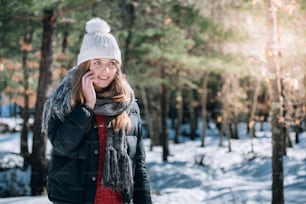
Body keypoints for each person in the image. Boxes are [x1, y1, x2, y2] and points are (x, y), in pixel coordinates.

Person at [42, 18, 152, 204]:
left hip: (117, 200)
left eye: (111, 63)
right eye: (97, 62)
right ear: (85, 65)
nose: (105, 70)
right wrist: (87, 108)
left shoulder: (127, 103)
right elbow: (62, 144)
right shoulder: (63, 100)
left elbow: (138, 164)